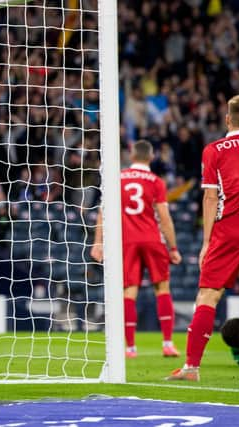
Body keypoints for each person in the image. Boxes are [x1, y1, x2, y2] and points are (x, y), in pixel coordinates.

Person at [167, 94, 239, 382]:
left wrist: (207, 242)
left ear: (228, 118)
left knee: (208, 295)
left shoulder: (215, 149)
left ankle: (192, 368)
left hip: (230, 226)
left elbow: (210, 196)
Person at [91, 140, 182, 358]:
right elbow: (165, 217)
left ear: (131, 156)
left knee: (129, 292)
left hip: (127, 241)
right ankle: (168, 344)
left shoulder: (117, 179)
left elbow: (103, 213)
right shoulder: (156, 181)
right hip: (152, 239)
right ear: (151, 158)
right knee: (162, 288)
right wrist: (173, 247)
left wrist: (98, 242)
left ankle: (130, 348)